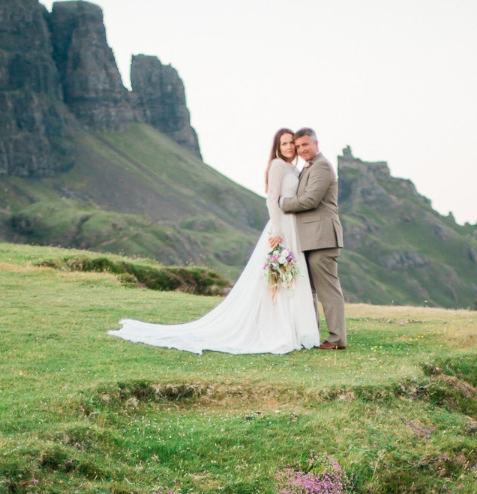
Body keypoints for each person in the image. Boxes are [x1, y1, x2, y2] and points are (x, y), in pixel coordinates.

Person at [108, 129, 319, 355]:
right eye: (284, 143)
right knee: (277, 279)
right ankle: (278, 328)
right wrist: (277, 229)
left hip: (293, 228)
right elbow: (271, 199)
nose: (288, 147)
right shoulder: (277, 165)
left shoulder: (294, 168)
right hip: (281, 228)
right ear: (277, 147)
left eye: (291, 144)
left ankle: (293, 327)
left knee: (291, 277)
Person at [279, 127, 346, 350]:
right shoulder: (307, 167)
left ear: (316, 144)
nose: (301, 150)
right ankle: (311, 336)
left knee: (328, 291)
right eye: (298, 147)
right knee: (308, 291)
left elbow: (310, 200)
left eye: (305, 145)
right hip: (309, 239)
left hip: (323, 238)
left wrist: (282, 203)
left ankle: (336, 339)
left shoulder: (322, 166)